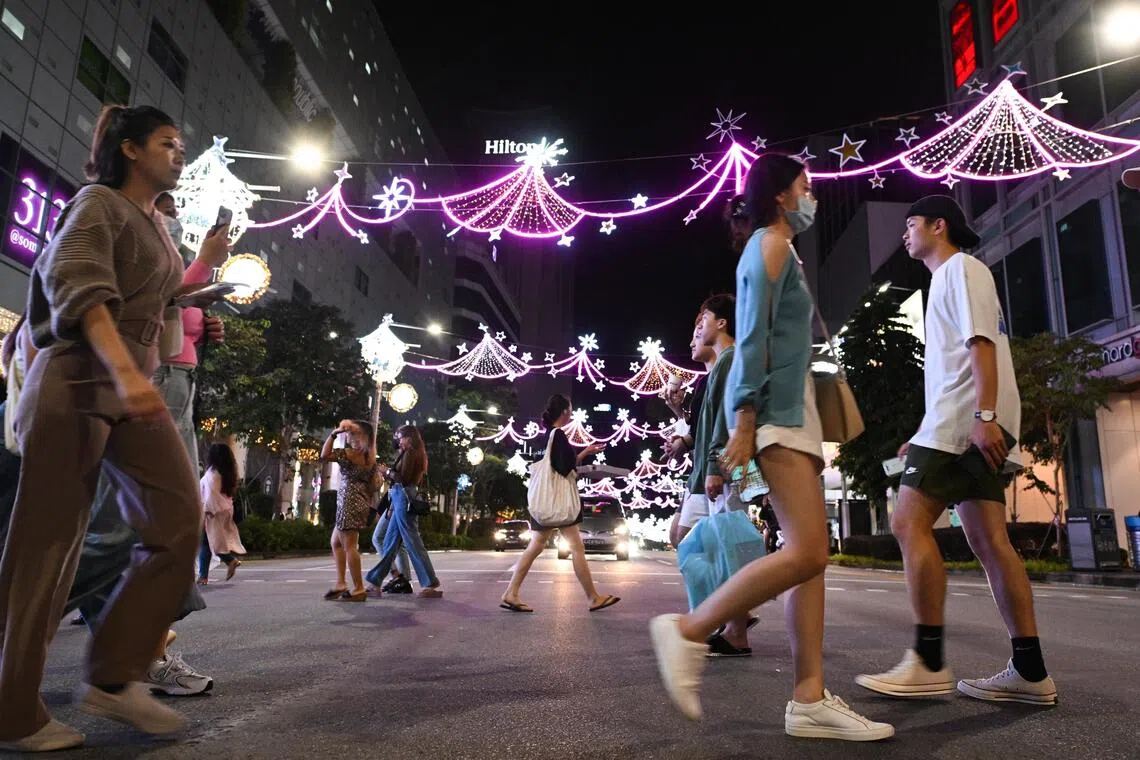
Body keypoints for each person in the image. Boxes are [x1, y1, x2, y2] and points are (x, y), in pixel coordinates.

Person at [649, 152, 893, 741]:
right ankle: (689, 630)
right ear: (781, 195)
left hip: (794, 415)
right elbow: (752, 335)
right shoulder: (770, 246)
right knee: (809, 552)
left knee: (809, 562)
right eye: (805, 187)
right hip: (777, 417)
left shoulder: (780, 249)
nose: (812, 197)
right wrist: (746, 419)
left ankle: (809, 697)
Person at [0, 104, 202, 752]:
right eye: (168, 143)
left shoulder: (155, 226)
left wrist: (201, 302)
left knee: (177, 521)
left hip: (126, 394)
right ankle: (13, 711)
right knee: (46, 552)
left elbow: (155, 294)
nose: (179, 153)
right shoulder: (97, 203)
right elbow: (79, 288)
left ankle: (114, 676)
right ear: (131, 150)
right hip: (76, 385)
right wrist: (128, 372)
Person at [855, 195, 1057, 705]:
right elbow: (955, 366)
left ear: (939, 226)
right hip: (962, 419)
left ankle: (926, 662)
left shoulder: (959, 269)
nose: (905, 234)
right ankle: (1030, 672)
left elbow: (980, 344)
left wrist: (984, 417)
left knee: (907, 522)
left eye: (911, 223)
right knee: (990, 542)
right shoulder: (948, 277)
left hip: (969, 419)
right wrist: (925, 428)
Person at [679, 294, 757, 658]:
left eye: (703, 320)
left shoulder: (729, 361)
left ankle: (733, 626)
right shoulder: (723, 364)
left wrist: (713, 468)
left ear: (721, 322)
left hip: (722, 469)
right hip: (717, 469)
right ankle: (725, 620)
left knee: (725, 548)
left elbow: (729, 423)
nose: (699, 328)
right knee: (711, 547)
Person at [500, 395, 619, 614]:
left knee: (536, 544)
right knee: (576, 547)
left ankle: (511, 592)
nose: (572, 414)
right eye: (570, 410)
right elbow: (565, 468)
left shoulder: (541, 438)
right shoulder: (559, 435)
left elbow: (551, 465)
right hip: (558, 502)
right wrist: (583, 456)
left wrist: (582, 453)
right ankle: (593, 597)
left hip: (540, 501)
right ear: (564, 412)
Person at [367, 425, 443, 599]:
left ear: (410, 438)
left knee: (412, 541)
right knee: (390, 542)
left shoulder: (411, 454)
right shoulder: (408, 453)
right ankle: (375, 582)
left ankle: (430, 582)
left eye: (401, 437)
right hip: (399, 497)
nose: (399, 440)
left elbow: (403, 479)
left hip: (403, 496)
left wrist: (386, 471)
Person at [666, 316, 716, 548]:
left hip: (715, 470)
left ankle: (736, 582)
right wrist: (677, 410)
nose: (692, 342)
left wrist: (684, 443)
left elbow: (723, 427)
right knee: (679, 538)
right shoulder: (703, 383)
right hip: (701, 472)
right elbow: (698, 430)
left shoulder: (726, 371)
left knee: (684, 539)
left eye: (698, 332)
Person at [320, 419, 379, 602]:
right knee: (336, 543)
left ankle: (359, 588)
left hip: (348, 502)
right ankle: (341, 583)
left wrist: (333, 434)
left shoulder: (350, 454)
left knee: (350, 546)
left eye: (354, 434)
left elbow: (325, 455)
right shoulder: (370, 458)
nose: (349, 437)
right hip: (359, 501)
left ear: (363, 437)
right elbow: (372, 486)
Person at [198, 443, 245, 584]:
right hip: (223, 511)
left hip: (212, 512)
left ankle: (205, 575)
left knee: (208, 542)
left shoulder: (213, 474)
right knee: (210, 541)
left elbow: (210, 495)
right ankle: (206, 574)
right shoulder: (226, 473)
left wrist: (208, 510)